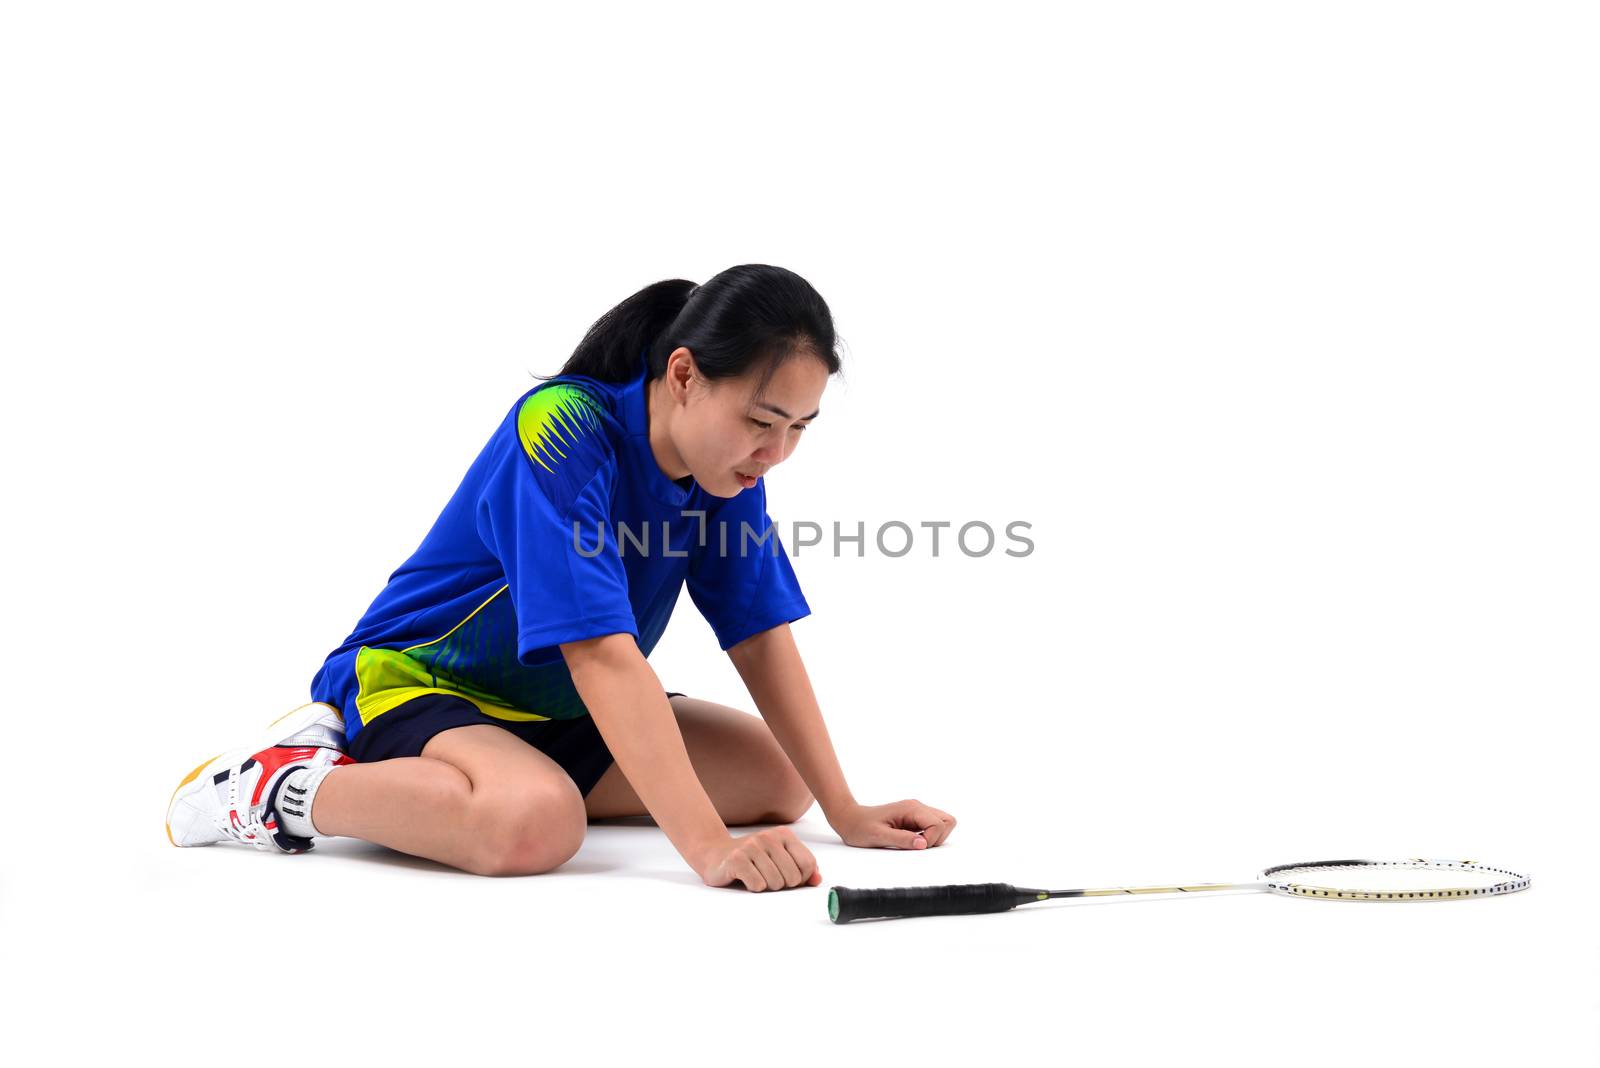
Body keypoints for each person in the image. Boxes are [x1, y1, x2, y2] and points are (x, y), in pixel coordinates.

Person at [165, 264, 956, 892]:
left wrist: (846, 810)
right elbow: (603, 656)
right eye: (760, 421)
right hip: (419, 682)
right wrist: (709, 849)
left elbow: (758, 636)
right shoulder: (562, 427)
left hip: (555, 709)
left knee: (778, 780)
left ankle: (467, 781)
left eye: (797, 429)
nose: (775, 452)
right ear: (683, 374)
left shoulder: (729, 477)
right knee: (535, 825)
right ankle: (282, 786)